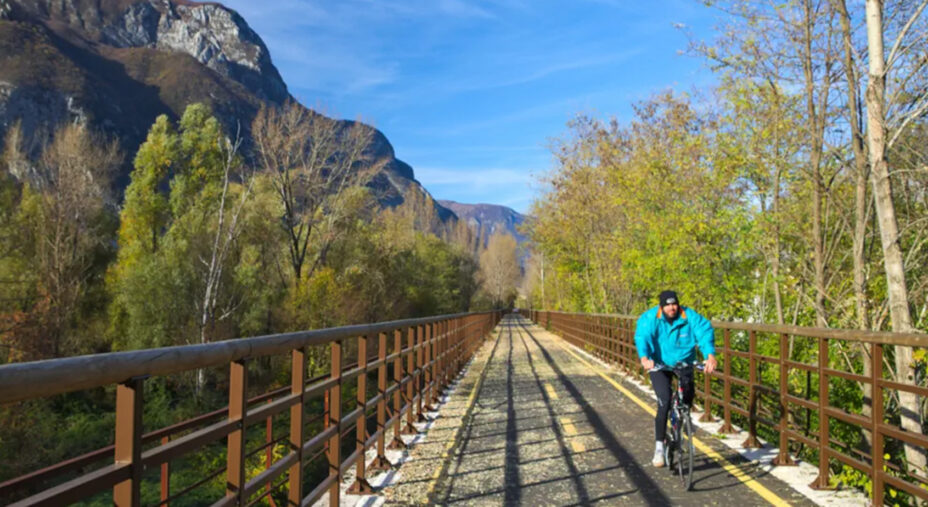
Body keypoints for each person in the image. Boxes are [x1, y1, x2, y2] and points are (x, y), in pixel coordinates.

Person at [634, 290, 716, 467]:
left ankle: (684, 418)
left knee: (688, 396)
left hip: (684, 362)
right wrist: (644, 357)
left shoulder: (689, 315)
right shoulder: (650, 318)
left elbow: (704, 331)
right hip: (659, 364)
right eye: (668, 305)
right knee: (664, 401)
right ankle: (659, 447)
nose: (672, 308)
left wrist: (710, 355)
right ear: (661, 306)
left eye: (674, 304)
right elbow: (643, 337)